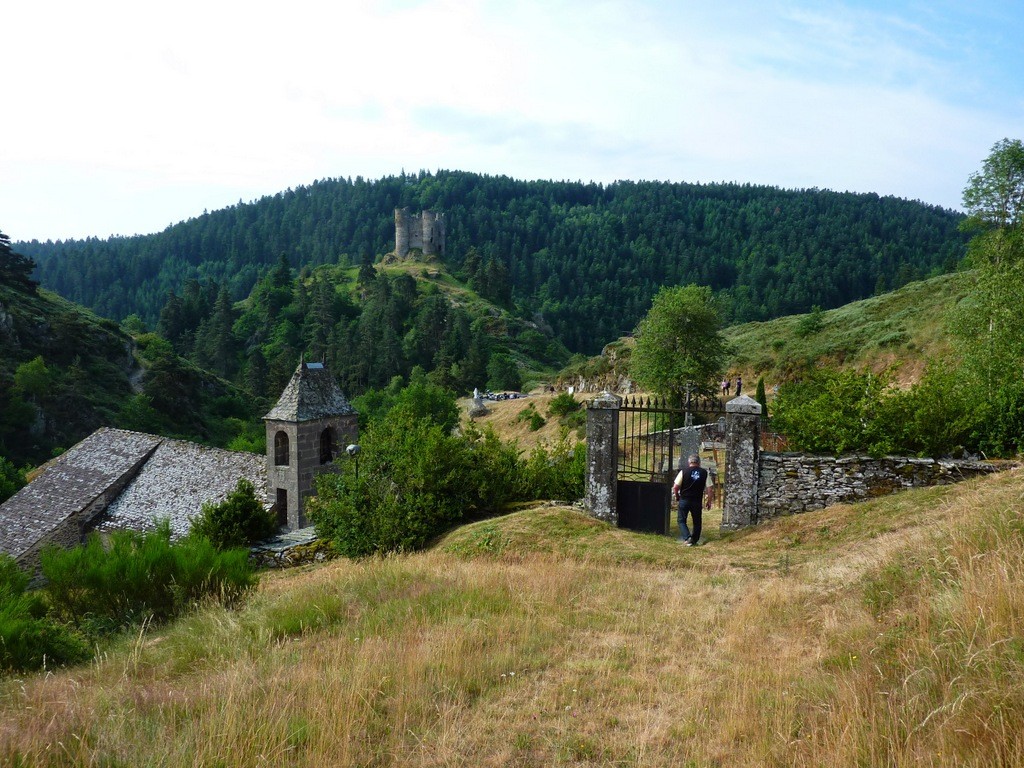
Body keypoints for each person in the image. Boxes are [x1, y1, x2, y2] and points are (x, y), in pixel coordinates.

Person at [672, 454, 713, 546]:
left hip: (685, 499)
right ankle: (694, 540)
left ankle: (687, 537)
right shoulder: (704, 473)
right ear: (699, 462)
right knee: (697, 521)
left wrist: (677, 496)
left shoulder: (683, 472)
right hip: (697, 501)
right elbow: (710, 489)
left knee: (681, 520)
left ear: (689, 462)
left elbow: (675, 487)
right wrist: (709, 501)